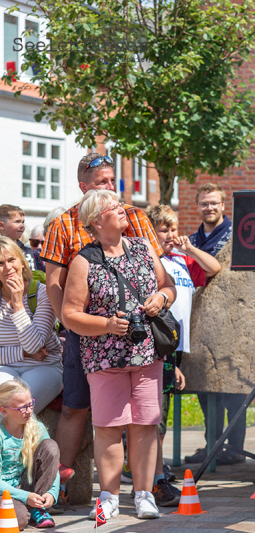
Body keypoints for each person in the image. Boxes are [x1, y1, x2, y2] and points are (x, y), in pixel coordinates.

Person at [39, 153, 163, 512]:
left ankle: (150, 486)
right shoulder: (63, 223)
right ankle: (56, 488)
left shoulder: (136, 218)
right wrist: (76, 323)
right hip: (87, 333)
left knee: (145, 415)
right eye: (102, 183)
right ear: (84, 187)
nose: (111, 188)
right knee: (76, 408)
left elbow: (156, 273)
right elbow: (53, 283)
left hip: (138, 338)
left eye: (113, 181)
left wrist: (158, 300)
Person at [61, 189, 176, 520]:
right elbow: (70, 315)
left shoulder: (142, 248)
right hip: (104, 357)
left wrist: (162, 299)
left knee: (145, 424)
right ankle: (109, 496)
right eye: (115, 207)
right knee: (109, 427)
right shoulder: (84, 261)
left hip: (146, 353)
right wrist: (107, 324)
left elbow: (167, 286)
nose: (124, 209)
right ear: (98, 221)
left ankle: (143, 494)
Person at [145, 204, 220, 505]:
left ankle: (154, 473)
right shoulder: (150, 262)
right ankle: (154, 480)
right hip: (157, 348)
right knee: (155, 417)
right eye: (163, 229)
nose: (171, 235)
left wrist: (189, 247)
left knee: (160, 417)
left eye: (173, 228)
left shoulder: (179, 260)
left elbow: (213, 269)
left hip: (176, 348)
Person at [184, 183, 245, 466]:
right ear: (198, 206)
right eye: (204, 204)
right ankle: (213, 444)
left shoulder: (236, 237)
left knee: (231, 385)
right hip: (200, 319)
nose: (209, 208)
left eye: (214, 203)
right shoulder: (192, 239)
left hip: (231, 319)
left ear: (223, 206)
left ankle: (234, 448)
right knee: (205, 386)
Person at [0, 237, 63, 412]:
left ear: (21, 261)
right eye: (0, 263)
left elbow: (34, 345)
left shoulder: (42, 293)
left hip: (44, 367)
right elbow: (30, 349)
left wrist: (18, 304)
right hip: (4, 368)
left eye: (11, 260)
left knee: (18, 407)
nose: (7, 268)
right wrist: (23, 353)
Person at [0, 378, 60, 530]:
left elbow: (52, 466)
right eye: (22, 408)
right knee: (16, 522)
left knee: (50, 447)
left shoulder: (36, 428)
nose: (29, 411)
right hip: (4, 490)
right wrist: (25, 497)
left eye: (30, 404)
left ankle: (37, 507)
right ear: (4, 410)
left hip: (26, 485)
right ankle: (28, 508)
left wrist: (52, 493)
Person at [0, 206, 36, 273]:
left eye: (23, 222)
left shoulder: (26, 251)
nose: (22, 226)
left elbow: (33, 274)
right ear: (1, 225)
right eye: (17, 222)